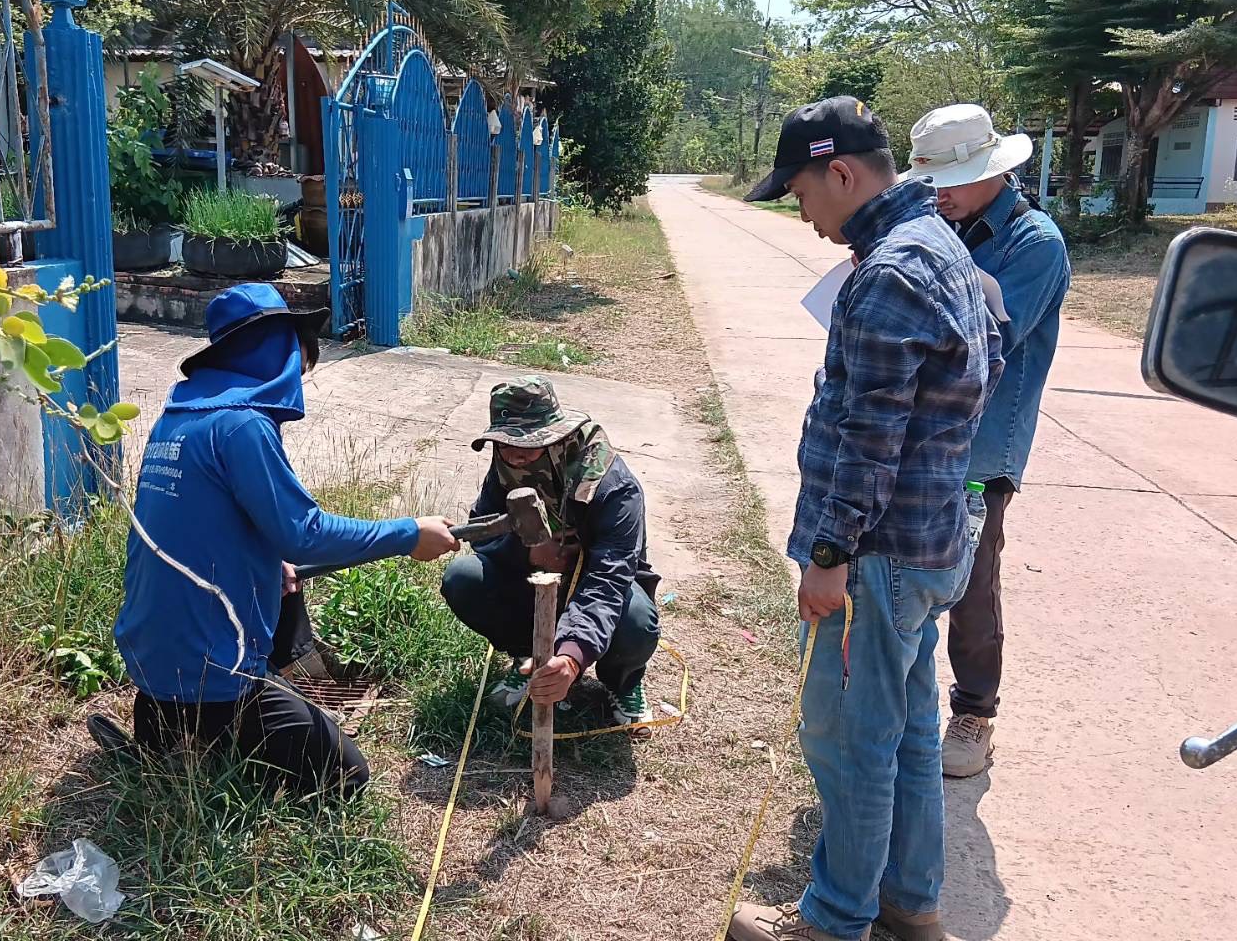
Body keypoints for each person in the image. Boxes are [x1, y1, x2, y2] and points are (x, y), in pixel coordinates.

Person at [727, 98, 1001, 941]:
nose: (803, 215)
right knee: (909, 734)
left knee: (849, 740)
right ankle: (910, 903)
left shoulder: (890, 273)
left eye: (802, 193)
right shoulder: (941, 247)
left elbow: (870, 437)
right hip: (928, 543)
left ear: (841, 174)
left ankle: (834, 919)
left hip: (876, 557)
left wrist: (829, 554)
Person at [108, 283, 459, 797]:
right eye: (301, 363)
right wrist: (408, 534)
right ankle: (221, 737)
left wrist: (267, 564)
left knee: (283, 577)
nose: (299, 377)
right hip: (212, 674)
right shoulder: (242, 426)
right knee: (347, 775)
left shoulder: (179, 416)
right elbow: (305, 534)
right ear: (276, 351)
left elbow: (197, 528)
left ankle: (172, 732)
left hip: (152, 662)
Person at [904, 103, 1071, 778]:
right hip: (915, 431)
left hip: (981, 444)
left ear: (992, 172)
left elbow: (990, 338)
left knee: (972, 580)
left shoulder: (1034, 243)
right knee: (898, 571)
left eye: (951, 181)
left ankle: (975, 710)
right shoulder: (935, 225)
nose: (939, 194)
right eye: (932, 182)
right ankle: (898, 698)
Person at [440, 376, 661, 732]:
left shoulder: (613, 486)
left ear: (558, 438)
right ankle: (529, 658)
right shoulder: (507, 466)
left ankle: (623, 682)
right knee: (463, 578)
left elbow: (609, 579)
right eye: (505, 443)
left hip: (597, 584)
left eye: (528, 445)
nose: (515, 455)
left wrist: (572, 659)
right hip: (535, 581)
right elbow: (483, 528)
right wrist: (527, 553)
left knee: (636, 620)